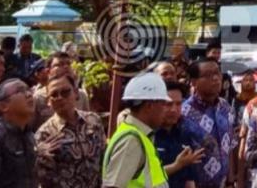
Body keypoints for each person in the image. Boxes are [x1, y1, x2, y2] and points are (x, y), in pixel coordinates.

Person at [101, 72, 173, 188]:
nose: (166, 110)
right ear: (150, 106)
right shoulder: (131, 140)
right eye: (163, 104)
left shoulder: (141, 136)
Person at [34, 73, 106, 188]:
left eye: (65, 92)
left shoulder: (94, 121)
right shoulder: (44, 134)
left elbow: (104, 158)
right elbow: (43, 178)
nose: (60, 98)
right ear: (48, 102)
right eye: (54, 95)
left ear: (76, 93)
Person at [180, 60, 235, 188]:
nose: (215, 78)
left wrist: (231, 181)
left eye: (217, 73)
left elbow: (230, 146)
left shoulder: (225, 107)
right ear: (194, 82)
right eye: (208, 75)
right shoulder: (184, 112)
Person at [152, 80, 207, 188]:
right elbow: (146, 175)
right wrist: (177, 166)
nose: (174, 110)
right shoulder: (147, 135)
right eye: (168, 104)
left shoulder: (184, 134)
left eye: (178, 104)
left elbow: (189, 178)